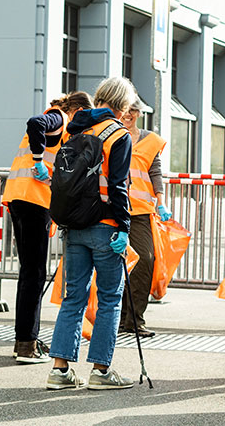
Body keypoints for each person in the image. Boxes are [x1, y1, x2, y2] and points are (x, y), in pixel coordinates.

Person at [47, 77, 136, 391]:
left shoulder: (77, 129)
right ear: (122, 104)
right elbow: (119, 186)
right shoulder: (118, 134)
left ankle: (59, 370)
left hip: (73, 225)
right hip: (105, 226)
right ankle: (101, 370)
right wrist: (124, 228)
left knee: (74, 297)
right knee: (110, 299)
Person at [2, 90, 94, 364]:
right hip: (32, 201)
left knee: (30, 272)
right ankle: (26, 344)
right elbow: (34, 124)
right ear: (77, 110)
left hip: (20, 198)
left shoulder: (59, 124)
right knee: (34, 273)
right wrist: (39, 161)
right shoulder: (58, 117)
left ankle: (25, 339)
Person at [118, 99, 172, 338]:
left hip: (139, 211)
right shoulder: (110, 134)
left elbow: (155, 172)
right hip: (113, 209)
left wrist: (161, 201)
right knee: (115, 263)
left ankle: (135, 318)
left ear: (139, 113)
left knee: (145, 260)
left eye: (133, 110)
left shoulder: (150, 140)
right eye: (125, 110)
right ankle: (117, 318)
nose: (129, 114)